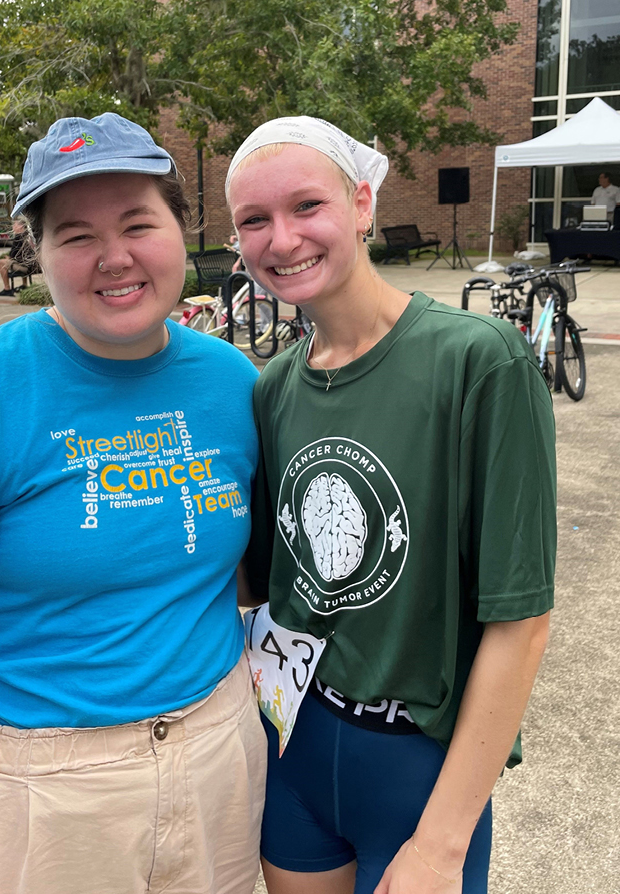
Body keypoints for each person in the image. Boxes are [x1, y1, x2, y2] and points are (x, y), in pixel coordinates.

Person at [0, 112, 266, 894]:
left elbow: (240, 575)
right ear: (35, 252)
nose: (115, 257)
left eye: (138, 223)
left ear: (182, 228)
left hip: (219, 757)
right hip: (37, 794)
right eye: (75, 235)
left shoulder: (232, 382)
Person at [228, 116, 555, 894]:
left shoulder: (479, 362)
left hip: (416, 769)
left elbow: (522, 620)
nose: (282, 239)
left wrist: (441, 845)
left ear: (363, 204)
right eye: (254, 220)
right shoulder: (273, 388)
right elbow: (265, 587)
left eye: (307, 205)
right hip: (297, 747)